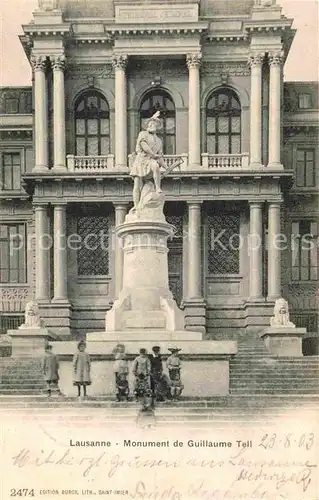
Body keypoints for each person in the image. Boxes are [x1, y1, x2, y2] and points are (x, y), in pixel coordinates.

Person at [130, 111, 167, 210]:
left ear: (157, 127)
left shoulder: (159, 141)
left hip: (150, 160)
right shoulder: (143, 134)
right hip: (141, 160)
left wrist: (166, 167)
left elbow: (160, 157)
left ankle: (158, 187)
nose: (151, 125)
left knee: (155, 166)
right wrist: (153, 154)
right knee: (137, 183)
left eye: (153, 124)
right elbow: (144, 146)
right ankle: (136, 205)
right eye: (150, 124)